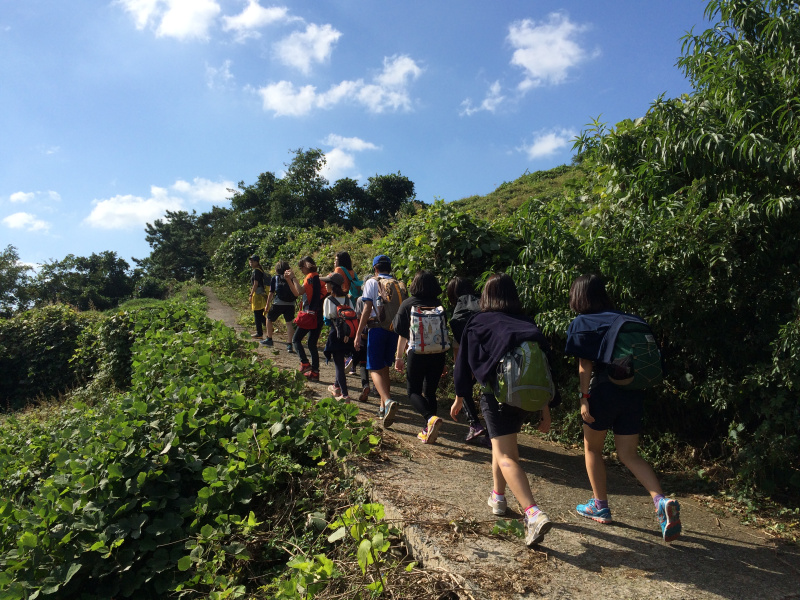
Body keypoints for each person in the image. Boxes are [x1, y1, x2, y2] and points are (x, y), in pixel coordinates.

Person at [565, 274, 681, 542]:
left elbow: (585, 365)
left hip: (604, 391)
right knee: (630, 455)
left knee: (592, 448)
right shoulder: (630, 319)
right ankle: (660, 501)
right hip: (633, 393)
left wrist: (584, 397)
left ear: (579, 296)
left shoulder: (585, 322)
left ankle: (600, 505)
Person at [451, 273, 554, 548]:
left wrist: (460, 397)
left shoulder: (479, 321)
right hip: (524, 399)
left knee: (507, 455)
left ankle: (532, 513)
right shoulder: (527, 323)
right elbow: (542, 370)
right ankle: (498, 497)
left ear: (486, 296)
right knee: (502, 446)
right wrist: (546, 409)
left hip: (496, 397)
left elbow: (463, 364)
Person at [392, 271, 448, 444]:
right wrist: (444, 361)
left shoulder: (408, 304)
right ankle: (428, 428)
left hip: (417, 354)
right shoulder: (439, 305)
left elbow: (402, 334)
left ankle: (430, 419)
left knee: (413, 391)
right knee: (430, 392)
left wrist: (399, 357)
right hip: (438, 354)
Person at [354, 255, 400, 427]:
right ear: (390, 267)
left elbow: (367, 309)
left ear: (375, 268)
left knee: (373, 367)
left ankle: (387, 401)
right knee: (384, 367)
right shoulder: (396, 283)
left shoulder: (371, 282)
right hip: (393, 330)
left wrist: (358, 333)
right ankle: (382, 407)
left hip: (376, 328)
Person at [446, 276, 489, 447]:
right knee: (490, 395)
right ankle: (492, 432)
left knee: (463, 389)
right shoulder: (483, 304)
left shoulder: (458, 313)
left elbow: (460, 347)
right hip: (492, 356)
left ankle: (475, 424)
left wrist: (460, 370)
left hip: (471, 358)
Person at [321, 272, 354, 401]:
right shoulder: (348, 299)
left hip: (335, 334)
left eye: (327, 283)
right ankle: (336, 385)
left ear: (332, 285)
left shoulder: (328, 300)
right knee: (339, 361)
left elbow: (327, 320)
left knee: (339, 365)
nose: (324, 285)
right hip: (348, 334)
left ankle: (344, 394)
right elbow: (353, 314)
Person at [292, 256, 323, 381]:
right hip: (318, 314)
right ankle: (315, 373)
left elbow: (299, 291)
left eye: (301, 267)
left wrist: (293, 278)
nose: (301, 270)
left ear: (306, 266)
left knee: (296, 340)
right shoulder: (317, 277)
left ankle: (304, 363)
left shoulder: (310, 277)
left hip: (309, 314)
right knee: (311, 344)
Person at [261, 260, 298, 353]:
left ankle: (269, 339)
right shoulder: (292, 277)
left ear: (277, 269)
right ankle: (289, 345)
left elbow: (271, 292)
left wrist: (267, 304)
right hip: (290, 304)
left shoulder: (275, 278)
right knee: (289, 323)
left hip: (278, 303)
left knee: (269, 319)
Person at [248, 255, 268, 340]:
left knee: (257, 314)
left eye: (253, 261)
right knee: (260, 313)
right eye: (250, 261)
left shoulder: (256, 271)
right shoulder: (260, 270)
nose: (251, 263)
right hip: (261, 294)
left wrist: (251, 294)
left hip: (258, 295)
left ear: (257, 262)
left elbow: (255, 284)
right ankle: (268, 326)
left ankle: (259, 333)